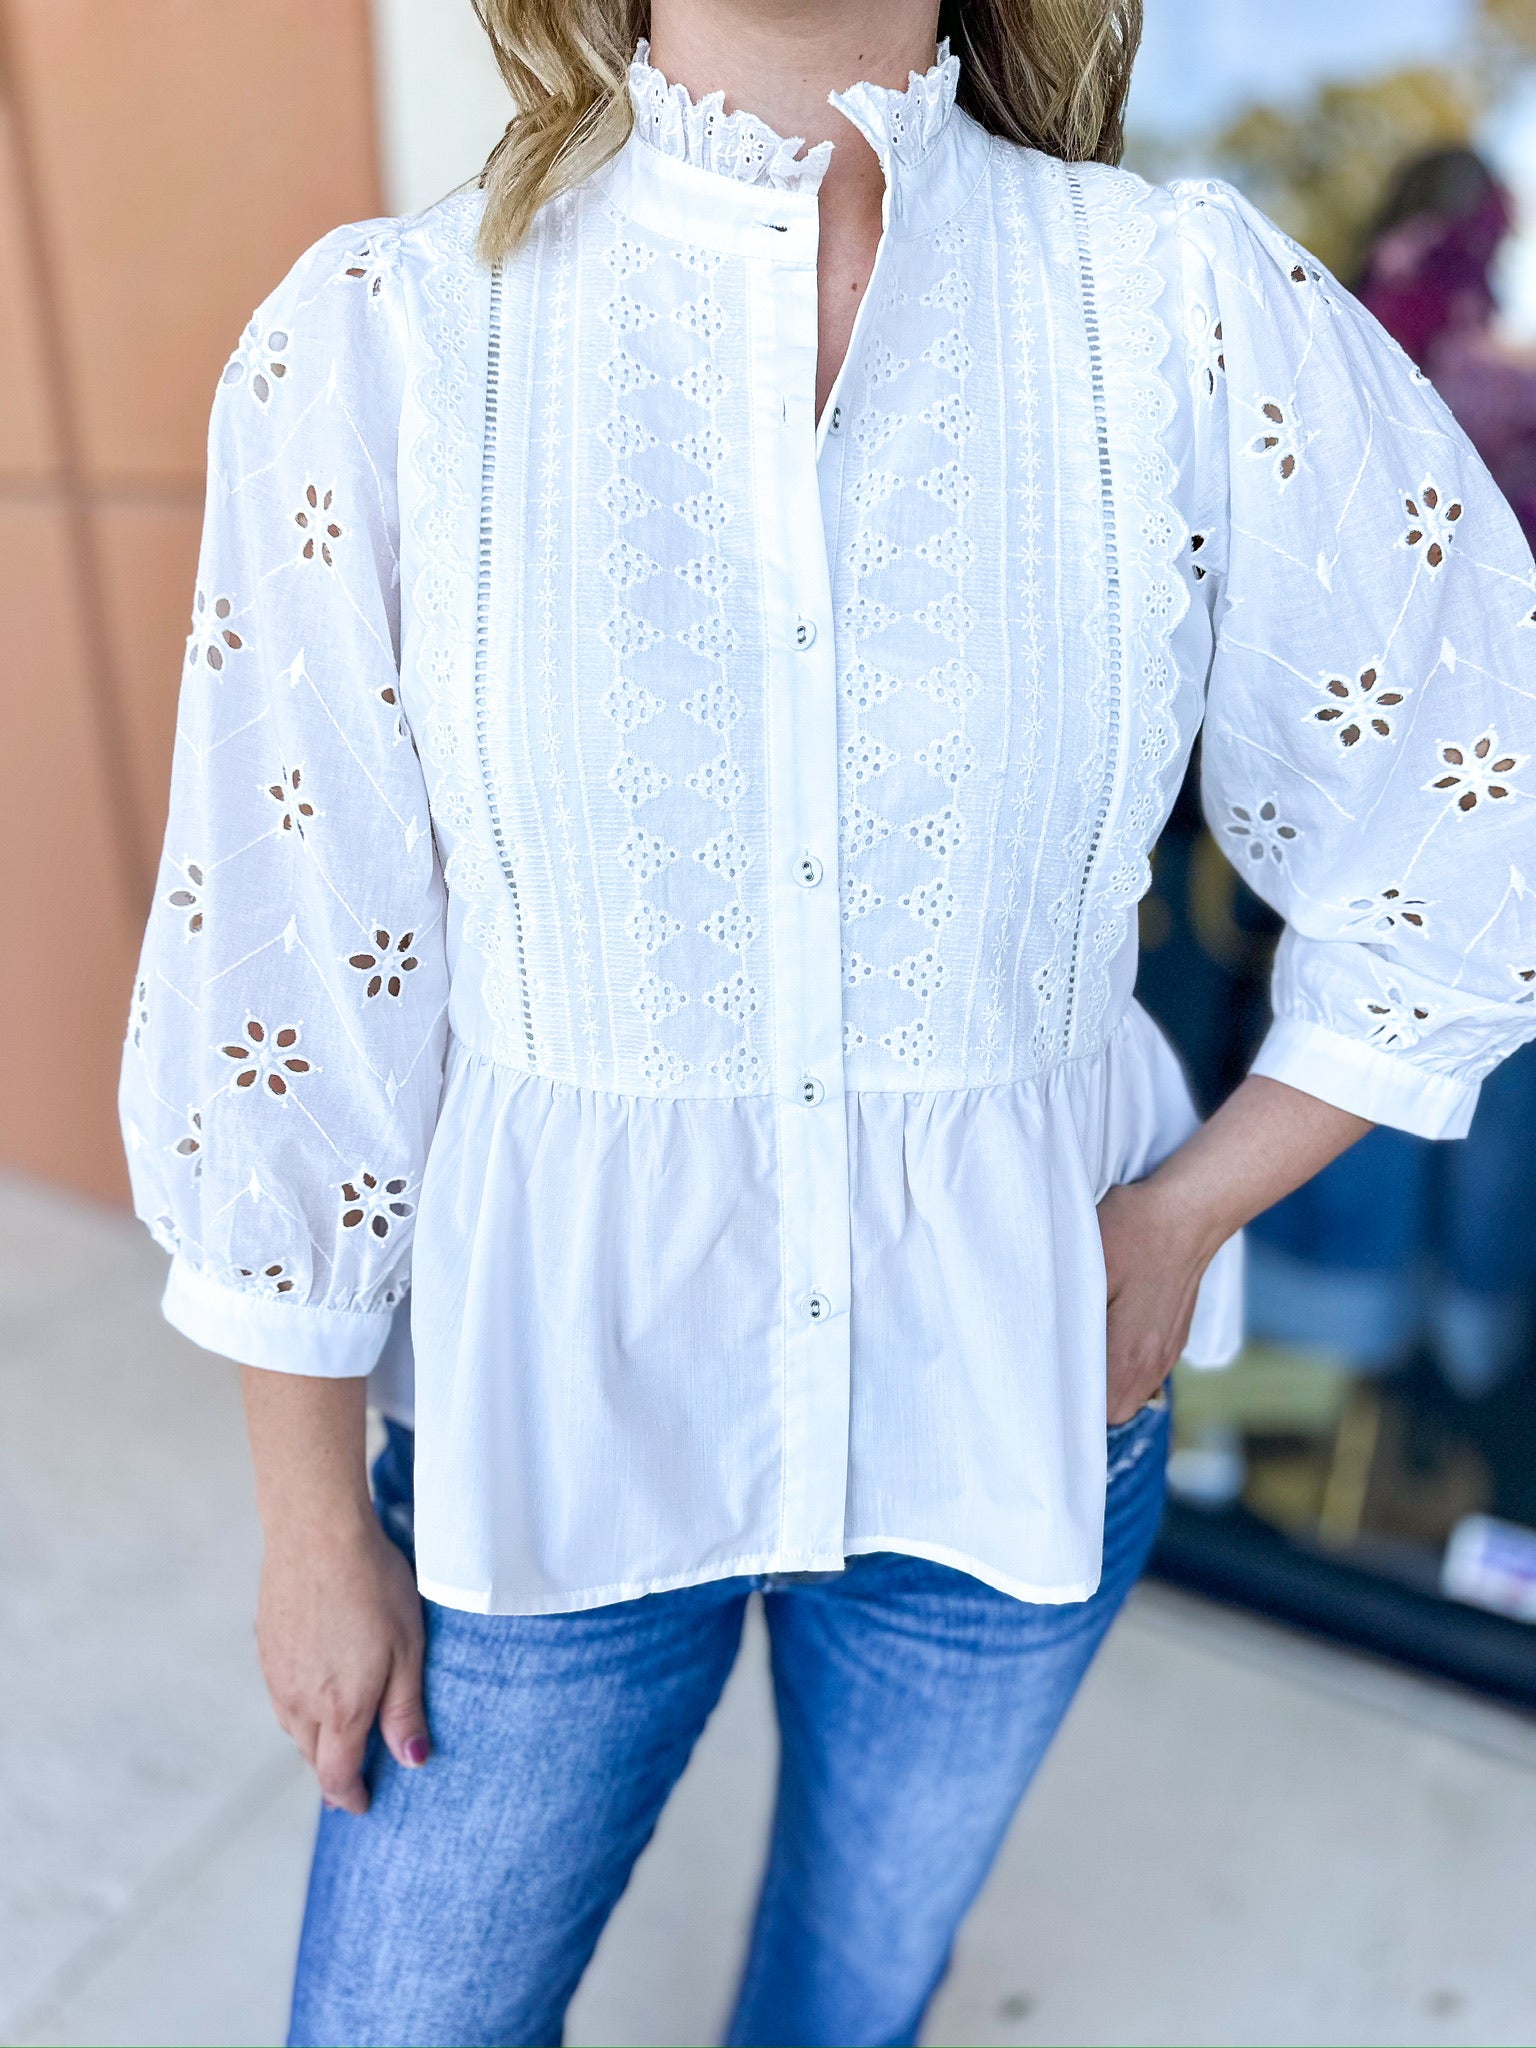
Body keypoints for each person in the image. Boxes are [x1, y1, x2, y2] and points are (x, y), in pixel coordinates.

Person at [118, 2, 1536, 2041]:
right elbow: (297, 967)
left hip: (1021, 1395)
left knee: (851, 1997)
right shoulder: (396, 340)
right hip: (551, 1439)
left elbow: (1477, 797)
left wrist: (1183, 1218)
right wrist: (311, 1520)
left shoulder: (1173, 307)